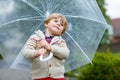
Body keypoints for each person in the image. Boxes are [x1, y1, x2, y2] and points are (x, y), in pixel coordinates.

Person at [22, 13, 70, 80]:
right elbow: (26, 52)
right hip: (39, 76)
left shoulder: (60, 41)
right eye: (55, 21)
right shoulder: (35, 38)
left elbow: (65, 53)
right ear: (46, 24)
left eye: (62, 24)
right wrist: (37, 52)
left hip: (57, 77)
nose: (58, 24)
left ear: (62, 32)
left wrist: (50, 48)